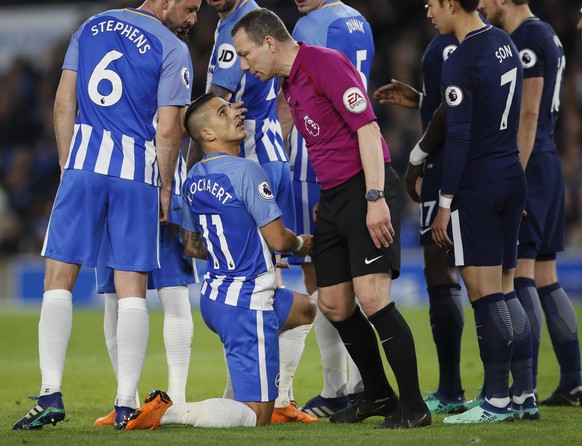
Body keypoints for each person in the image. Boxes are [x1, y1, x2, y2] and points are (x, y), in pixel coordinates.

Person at [233, 8, 431, 429]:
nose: (246, 65)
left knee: (374, 298)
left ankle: (414, 408)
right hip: (336, 196)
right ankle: (377, 395)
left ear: (269, 43)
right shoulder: (291, 81)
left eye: (247, 55)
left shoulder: (325, 63)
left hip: (367, 187)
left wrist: (374, 197)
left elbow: (367, 131)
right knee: (335, 303)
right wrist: (331, 196)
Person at [12, 0, 196, 430]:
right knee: (131, 288)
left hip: (84, 166)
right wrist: (166, 186)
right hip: (137, 173)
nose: (192, 18)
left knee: (58, 281)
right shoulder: (172, 47)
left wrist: (66, 163)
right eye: (189, 7)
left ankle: (49, 395)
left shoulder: (90, 27)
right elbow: (169, 129)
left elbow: (63, 103)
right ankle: (126, 402)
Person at [119, 92, 316, 430]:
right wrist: (301, 244)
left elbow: (195, 246)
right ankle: (169, 411)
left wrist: (253, 253)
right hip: (247, 302)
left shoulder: (194, 177)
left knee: (305, 310)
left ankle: (280, 397)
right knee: (256, 416)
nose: (236, 114)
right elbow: (280, 238)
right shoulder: (247, 172)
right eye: (223, 113)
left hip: (215, 296)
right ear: (207, 134)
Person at [417, 0, 527, 423]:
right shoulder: (503, 42)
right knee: (507, 289)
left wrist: (444, 204)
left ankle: (496, 400)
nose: (429, 14)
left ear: (450, 3)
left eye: (431, 4)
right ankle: (525, 394)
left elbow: (458, 136)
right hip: (510, 172)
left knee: (485, 296)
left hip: (478, 185)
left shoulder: (461, 57)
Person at [204, 0, 314, 424]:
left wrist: (203, 164)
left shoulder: (239, 30)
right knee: (268, 282)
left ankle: (262, 395)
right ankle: (269, 393)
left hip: (248, 166)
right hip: (272, 157)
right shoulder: (261, 21)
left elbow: (214, 109)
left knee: (251, 283)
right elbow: (287, 88)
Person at [478, 0, 582, 408]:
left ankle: (525, 386)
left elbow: (527, 114)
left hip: (530, 162)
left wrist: (514, 177)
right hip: (544, 161)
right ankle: (572, 381)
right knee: (545, 275)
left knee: (520, 272)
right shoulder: (545, 34)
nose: (481, 3)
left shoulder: (527, 38)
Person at [282, 0, 374, 418]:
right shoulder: (359, 21)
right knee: (350, 276)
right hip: (352, 150)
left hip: (313, 155)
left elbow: (299, 85)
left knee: (321, 272)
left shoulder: (309, 25)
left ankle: (339, 386)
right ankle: (357, 384)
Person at [373, 33, 468, 415]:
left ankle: (457, 388)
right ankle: (472, 387)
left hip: (447, 166)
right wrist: (421, 100)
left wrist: (416, 157)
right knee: (481, 276)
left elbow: (452, 107)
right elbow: (450, 100)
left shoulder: (454, 42)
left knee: (453, 272)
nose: (427, 11)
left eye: (432, 4)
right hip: (461, 163)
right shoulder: (469, 42)